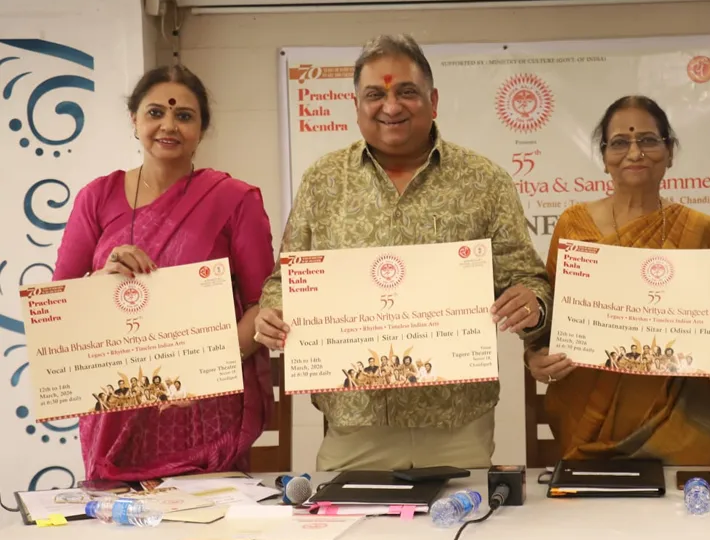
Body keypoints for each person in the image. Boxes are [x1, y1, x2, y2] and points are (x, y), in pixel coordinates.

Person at [254, 34, 552, 471]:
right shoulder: (324, 181)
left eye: (406, 92)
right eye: (375, 94)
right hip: (355, 423)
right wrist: (273, 311)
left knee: (462, 535)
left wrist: (532, 303)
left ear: (432, 101)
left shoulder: (483, 180)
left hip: (456, 422)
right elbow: (287, 279)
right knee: (354, 537)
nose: (390, 107)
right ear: (356, 106)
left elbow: (526, 277)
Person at [52, 65, 276, 481]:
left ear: (202, 129)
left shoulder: (233, 199)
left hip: (201, 406)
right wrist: (103, 277)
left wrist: (196, 373)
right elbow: (58, 308)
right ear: (134, 120)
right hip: (118, 402)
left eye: (184, 116)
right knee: (124, 537)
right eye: (155, 113)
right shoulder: (96, 198)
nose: (168, 125)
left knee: (205, 530)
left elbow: (261, 304)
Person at [525, 95, 710, 465]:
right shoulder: (572, 225)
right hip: (586, 412)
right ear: (605, 156)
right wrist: (534, 357)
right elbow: (549, 324)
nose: (634, 152)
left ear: (669, 151)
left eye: (648, 140)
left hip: (680, 418)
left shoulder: (697, 232)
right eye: (620, 142)